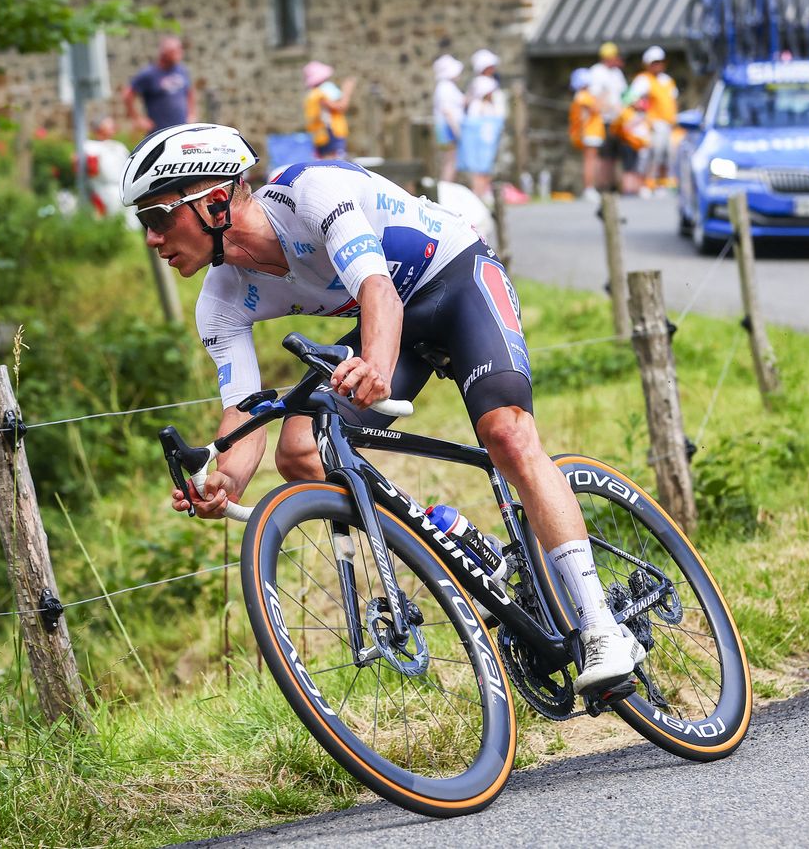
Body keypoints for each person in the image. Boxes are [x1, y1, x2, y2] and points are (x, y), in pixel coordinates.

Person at [119, 123, 647, 696]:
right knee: (299, 450)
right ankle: (463, 549)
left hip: (456, 278)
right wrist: (222, 481)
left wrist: (373, 364)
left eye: (158, 218)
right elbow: (244, 411)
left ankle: (601, 628)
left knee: (508, 435)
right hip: (396, 319)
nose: (150, 239)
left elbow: (378, 292)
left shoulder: (312, 191)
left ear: (215, 202)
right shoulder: (219, 300)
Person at [629, 46, 679, 193]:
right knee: (654, 153)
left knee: (668, 155)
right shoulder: (644, 80)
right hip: (654, 124)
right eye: (654, 62)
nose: (658, 65)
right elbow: (629, 98)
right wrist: (641, 108)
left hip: (669, 124)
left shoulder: (668, 80)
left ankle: (662, 183)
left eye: (660, 62)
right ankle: (647, 183)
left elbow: (673, 101)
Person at [460, 49, 508, 202]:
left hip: (486, 129)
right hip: (483, 130)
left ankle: (481, 192)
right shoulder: (482, 86)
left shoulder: (477, 86)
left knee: (484, 165)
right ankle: (478, 194)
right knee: (481, 165)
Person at [122, 36, 196, 133]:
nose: (180, 53)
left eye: (180, 50)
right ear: (164, 53)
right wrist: (137, 119)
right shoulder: (149, 74)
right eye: (175, 51)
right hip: (159, 132)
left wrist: (192, 114)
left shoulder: (182, 70)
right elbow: (128, 95)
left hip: (182, 130)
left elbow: (189, 92)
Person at [587, 41, 629, 193]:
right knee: (602, 156)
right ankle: (601, 187)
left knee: (613, 156)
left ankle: (611, 187)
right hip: (602, 120)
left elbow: (624, 94)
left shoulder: (616, 73)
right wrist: (609, 106)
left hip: (617, 120)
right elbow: (595, 97)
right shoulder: (596, 72)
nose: (618, 60)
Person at [303, 61, 356, 159]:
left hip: (320, 137)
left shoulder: (312, 95)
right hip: (330, 135)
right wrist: (347, 91)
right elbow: (341, 107)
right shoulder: (320, 95)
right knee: (333, 163)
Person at [567, 68, 604, 203]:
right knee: (590, 161)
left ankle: (591, 187)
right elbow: (597, 108)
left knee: (592, 160)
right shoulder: (583, 96)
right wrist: (601, 97)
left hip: (591, 132)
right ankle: (589, 188)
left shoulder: (582, 96)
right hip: (589, 132)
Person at [432, 54, 465, 183]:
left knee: (451, 160)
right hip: (447, 128)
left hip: (448, 127)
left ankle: (447, 188)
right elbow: (447, 111)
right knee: (450, 161)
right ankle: (446, 189)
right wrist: (457, 131)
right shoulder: (444, 87)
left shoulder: (447, 86)